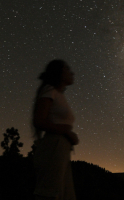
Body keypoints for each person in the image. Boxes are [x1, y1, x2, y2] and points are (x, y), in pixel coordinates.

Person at [32, 59, 79, 200]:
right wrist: (66, 132)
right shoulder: (49, 91)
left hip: (61, 148)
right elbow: (39, 121)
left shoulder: (59, 95)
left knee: (62, 193)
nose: (72, 73)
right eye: (67, 69)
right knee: (50, 191)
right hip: (54, 146)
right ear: (58, 73)